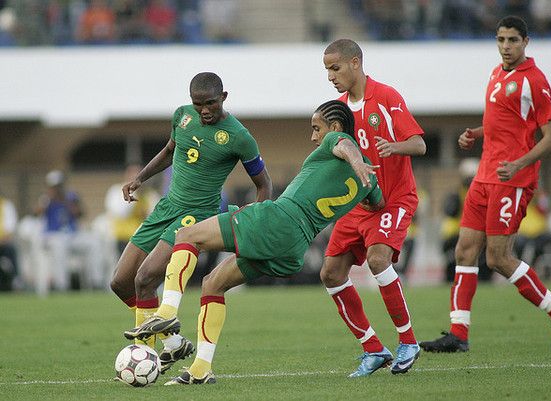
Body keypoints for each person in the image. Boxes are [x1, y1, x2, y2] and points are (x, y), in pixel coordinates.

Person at [124, 100, 385, 385]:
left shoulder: (338, 139)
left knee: (186, 235)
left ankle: (167, 313)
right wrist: (362, 172)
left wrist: (356, 158)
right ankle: (200, 369)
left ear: (334, 127)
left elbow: (344, 146)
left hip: (278, 219)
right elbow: (378, 204)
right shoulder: (368, 181)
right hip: (295, 247)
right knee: (213, 283)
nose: (313, 137)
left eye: (316, 128)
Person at [420, 16, 551, 354]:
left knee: (497, 258)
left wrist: (519, 163)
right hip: (484, 175)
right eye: (501, 40)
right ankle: (458, 333)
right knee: (464, 250)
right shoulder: (497, 73)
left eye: (512, 40)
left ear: (526, 42)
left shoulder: (534, 81)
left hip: (513, 180)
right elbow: (503, 124)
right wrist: (475, 134)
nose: (505, 46)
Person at [110, 72, 273, 374]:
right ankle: (172, 342)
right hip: (166, 207)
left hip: (196, 214)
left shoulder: (239, 136)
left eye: (210, 103)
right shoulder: (182, 117)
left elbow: (264, 184)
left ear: (224, 97)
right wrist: (140, 178)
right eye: (198, 105)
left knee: (145, 278)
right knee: (120, 282)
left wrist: (256, 220)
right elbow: (170, 152)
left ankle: (146, 359)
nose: (205, 111)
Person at [321, 39, 426, 377]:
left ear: (355, 63)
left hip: (394, 198)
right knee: (330, 273)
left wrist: (394, 146)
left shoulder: (387, 97)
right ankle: (373, 349)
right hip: (357, 206)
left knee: (378, 260)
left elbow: (420, 144)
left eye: (335, 68)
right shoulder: (336, 111)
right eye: (326, 70)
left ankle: (408, 342)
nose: (330, 76)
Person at [35, 170, 103, 292]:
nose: (57, 189)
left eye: (59, 186)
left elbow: (81, 214)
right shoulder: (45, 199)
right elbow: (36, 214)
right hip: (53, 236)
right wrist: (48, 200)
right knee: (59, 245)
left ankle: (96, 281)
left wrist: (66, 201)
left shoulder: (71, 197)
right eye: (55, 186)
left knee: (94, 243)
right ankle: (62, 285)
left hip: (72, 235)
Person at [440, 158, 492, 283]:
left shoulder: (484, 193)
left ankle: (484, 278)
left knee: (488, 252)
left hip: (478, 232)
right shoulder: (456, 194)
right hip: (455, 233)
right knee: (455, 256)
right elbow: (449, 211)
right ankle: (451, 278)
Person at [0, 193, 19, 291]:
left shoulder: (6, 206)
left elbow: (10, 228)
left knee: (11, 249)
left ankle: (16, 280)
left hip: (4, 243)